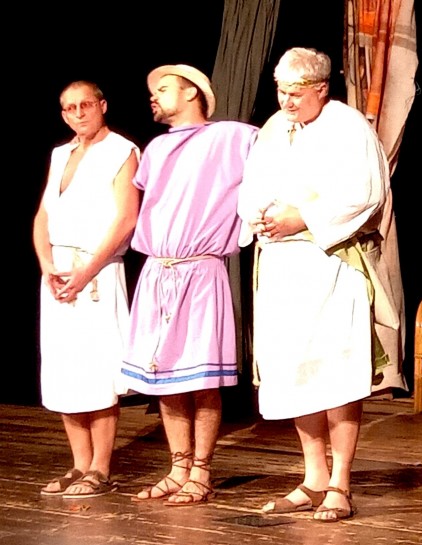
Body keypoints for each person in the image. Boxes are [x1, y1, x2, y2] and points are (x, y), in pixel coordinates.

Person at [237, 47, 394, 522]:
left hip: (329, 263)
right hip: (282, 265)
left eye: (296, 93)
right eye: (281, 91)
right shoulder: (274, 128)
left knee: (335, 370)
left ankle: (340, 482)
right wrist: (259, 216)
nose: (286, 101)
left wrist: (302, 217)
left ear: (322, 89)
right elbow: (250, 186)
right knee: (296, 371)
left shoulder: (348, 127)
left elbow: (366, 193)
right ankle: (313, 478)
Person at [121, 64, 258, 506]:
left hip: (200, 269)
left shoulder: (232, 137)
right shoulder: (156, 148)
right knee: (165, 377)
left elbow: (279, 154)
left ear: (192, 93)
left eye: (163, 89)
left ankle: (202, 470)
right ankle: (178, 468)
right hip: (157, 270)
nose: (154, 97)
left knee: (202, 377)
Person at [33, 80, 140, 498]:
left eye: (85, 105)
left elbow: (126, 218)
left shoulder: (122, 151)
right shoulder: (61, 154)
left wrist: (88, 269)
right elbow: (43, 215)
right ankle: (78, 464)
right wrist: (47, 265)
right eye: (69, 108)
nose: (78, 113)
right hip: (59, 272)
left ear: (102, 105)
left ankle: (100, 468)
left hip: (96, 270)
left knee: (97, 368)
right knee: (65, 367)